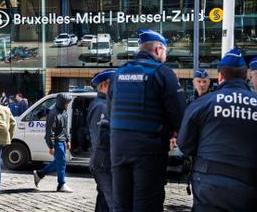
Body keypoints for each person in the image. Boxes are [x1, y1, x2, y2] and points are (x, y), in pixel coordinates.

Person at [108, 29, 186, 212]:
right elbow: (180, 116)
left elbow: (110, 112)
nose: (165, 55)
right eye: (165, 51)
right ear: (158, 50)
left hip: (118, 150)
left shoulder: (118, 74)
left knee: (121, 204)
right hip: (149, 151)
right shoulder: (162, 73)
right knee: (147, 204)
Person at [177, 48, 257, 211]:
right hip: (249, 187)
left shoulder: (202, 104)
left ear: (220, 77)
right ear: (246, 76)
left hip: (208, 185)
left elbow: (184, 145)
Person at [33, 93, 73, 193]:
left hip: (62, 141)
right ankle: (61, 184)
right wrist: (51, 146)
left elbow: (64, 128)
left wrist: (67, 140)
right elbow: (49, 132)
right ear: (62, 103)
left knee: (59, 161)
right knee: (62, 162)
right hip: (57, 141)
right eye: (66, 103)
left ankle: (39, 173)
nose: (67, 105)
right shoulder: (53, 114)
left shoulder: (64, 112)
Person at [87, 69, 116, 212]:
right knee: (114, 203)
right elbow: (100, 138)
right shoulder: (101, 106)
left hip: (104, 162)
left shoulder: (104, 104)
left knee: (104, 202)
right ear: (105, 86)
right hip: (104, 163)